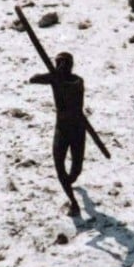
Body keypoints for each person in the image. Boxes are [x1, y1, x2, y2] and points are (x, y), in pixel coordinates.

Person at [29, 52, 86, 216]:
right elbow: (33, 79)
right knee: (60, 166)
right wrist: (54, 75)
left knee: (75, 170)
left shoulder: (77, 81)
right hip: (63, 129)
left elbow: (68, 86)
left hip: (75, 129)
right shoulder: (56, 79)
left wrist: (55, 75)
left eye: (60, 64)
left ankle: (68, 183)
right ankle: (73, 202)